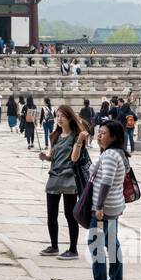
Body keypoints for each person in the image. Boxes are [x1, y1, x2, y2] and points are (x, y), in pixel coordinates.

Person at [81, 120, 128, 280]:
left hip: (103, 208)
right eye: (99, 132)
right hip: (115, 206)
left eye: (103, 133)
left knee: (96, 245)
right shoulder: (119, 154)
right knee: (112, 244)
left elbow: (107, 181)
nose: (99, 135)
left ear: (113, 136)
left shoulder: (109, 155)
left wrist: (99, 206)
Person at [39, 104, 89, 259]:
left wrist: (79, 141)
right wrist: (46, 157)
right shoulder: (55, 136)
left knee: (70, 214)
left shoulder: (76, 136)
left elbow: (74, 158)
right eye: (58, 116)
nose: (59, 119)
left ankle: (73, 249)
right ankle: (54, 246)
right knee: (51, 214)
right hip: (54, 177)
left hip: (69, 178)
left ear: (69, 117)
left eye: (63, 116)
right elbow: (53, 156)